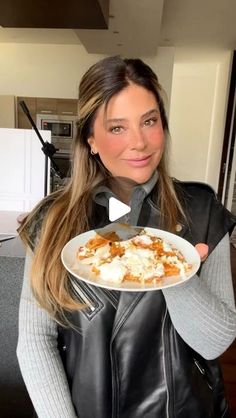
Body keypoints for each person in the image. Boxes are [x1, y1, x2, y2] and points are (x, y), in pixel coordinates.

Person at [17, 56, 236, 418]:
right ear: (92, 140)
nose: (140, 142)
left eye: (149, 121)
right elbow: (36, 341)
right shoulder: (51, 221)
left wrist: (171, 269)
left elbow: (215, 343)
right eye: (117, 128)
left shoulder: (202, 210)